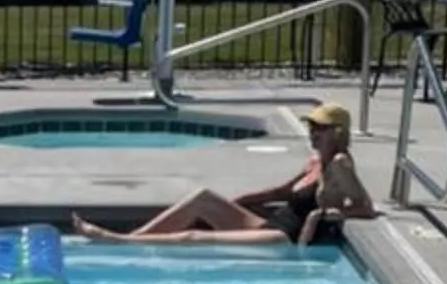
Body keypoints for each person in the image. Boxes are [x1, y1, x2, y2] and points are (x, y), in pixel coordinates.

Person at [72, 102, 375, 248]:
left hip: (284, 237)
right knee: (203, 199)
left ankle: (119, 242)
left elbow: (365, 207)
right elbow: (279, 193)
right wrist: (237, 202)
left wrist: (328, 214)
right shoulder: (314, 161)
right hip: (272, 222)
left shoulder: (339, 164)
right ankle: (133, 238)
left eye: (320, 129)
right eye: (311, 127)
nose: (313, 134)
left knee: (194, 236)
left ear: (337, 133)